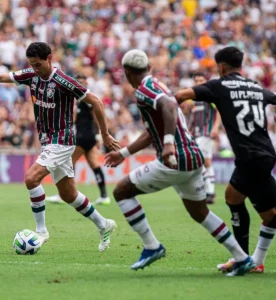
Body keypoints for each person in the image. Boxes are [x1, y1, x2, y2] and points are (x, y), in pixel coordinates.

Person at [0, 42, 120, 251]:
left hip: (62, 140)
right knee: (69, 195)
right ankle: (104, 224)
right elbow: (1, 77)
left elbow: (96, 101)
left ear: (49, 59)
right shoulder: (32, 75)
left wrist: (105, 134)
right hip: (48, 141)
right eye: (31, 65)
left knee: (31, 178)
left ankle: (41, 231)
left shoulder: (64, 81)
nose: (35, 69)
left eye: (38, 64)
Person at [105, 49, 254, 276]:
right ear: (149, 68)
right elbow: (151, 130)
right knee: (200, 212)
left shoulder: (145, 90)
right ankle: (242, 258)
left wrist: (167, 144)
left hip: (177, 159)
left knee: (122, 191)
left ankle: (152, 246)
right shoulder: (157, 84)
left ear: (126, 72)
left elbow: (171, 106)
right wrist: (123, 153)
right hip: (192, 157)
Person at [175, 46, 276, 273]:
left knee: (234, 198)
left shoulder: (218, 86)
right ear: (241, 65)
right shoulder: (255, 87)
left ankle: (242, 259)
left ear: (221, 67)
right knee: (268, 214)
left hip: (250, 158)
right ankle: (255, 261)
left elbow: (181, 95)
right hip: (265, 154)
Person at [46, 74, 110, 205]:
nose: (80, 84)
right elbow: (76, 120)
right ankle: (104, 196)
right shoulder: (80, 100)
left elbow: (96, 118)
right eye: (78, 82)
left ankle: (64, 194)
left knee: (68, 162)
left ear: (86, 83)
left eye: (82, 82)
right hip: (89, 137)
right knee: (94, 164)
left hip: (84, 137)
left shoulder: (87, 99)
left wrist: (99, 135)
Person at [185, 72, 221, 204]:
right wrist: (189, 130)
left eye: (201, 80)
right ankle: (210, 192)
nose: (199, 83)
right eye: (196, 80)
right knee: (206, 162)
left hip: (207, 133)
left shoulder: (210, 97)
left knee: (197, 160)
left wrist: (216, 127)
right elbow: (193, 117)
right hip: (197, 134)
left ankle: (205, 191)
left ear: (206, 81)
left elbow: (219, 112)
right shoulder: (193, 99)